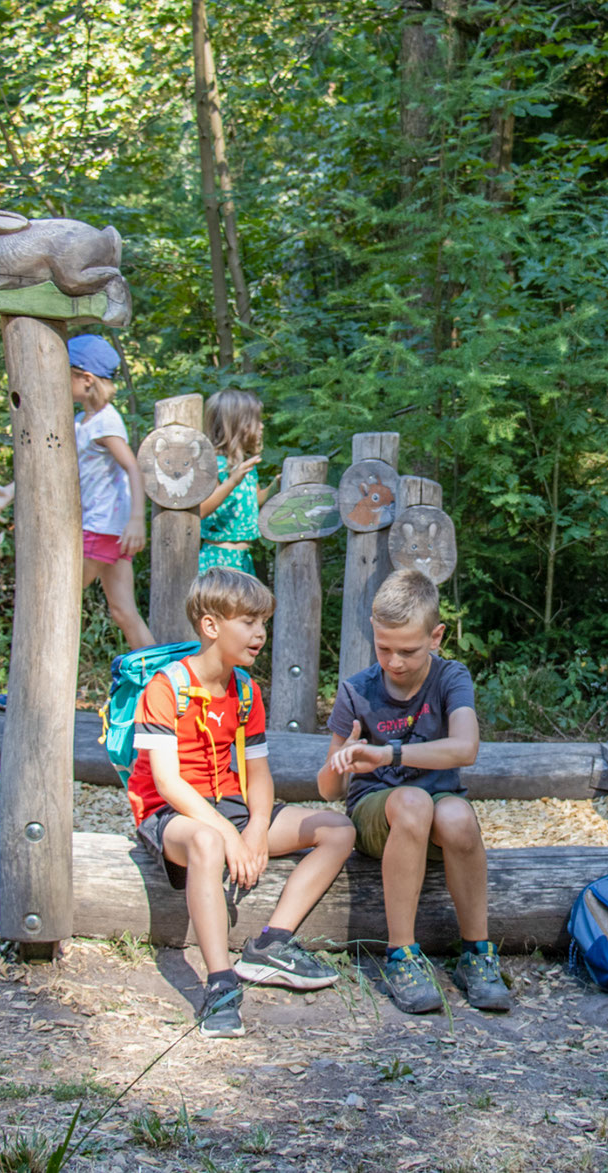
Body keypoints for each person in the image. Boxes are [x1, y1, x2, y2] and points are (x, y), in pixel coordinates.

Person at [126, 568, 357, 1039]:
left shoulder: (246, 691)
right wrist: (230, 835)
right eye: (249, 622)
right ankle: (220, 982)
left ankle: (272, 944)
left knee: (338, 830)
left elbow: (260, 775)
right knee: (209, 845)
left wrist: (253, 829)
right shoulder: (165, 688)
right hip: (172, 815)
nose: (260, 633)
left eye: (263, 622)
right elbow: (167, 784)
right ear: (211, 626)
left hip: (227, 805)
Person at [320, 568, 513, 1016]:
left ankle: (477, 953)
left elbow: (465, 748)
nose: (395, 662)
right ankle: (402, 955)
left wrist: (387, 754)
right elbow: (328, 789)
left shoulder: (451, 678)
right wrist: (342, 759)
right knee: (412, 802)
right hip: (380, 815)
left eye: (407, 650)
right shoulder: (356, 691)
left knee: (458, 816)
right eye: (384, 648)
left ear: (436, 636)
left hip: (436, 813)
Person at [0, 333, 151, 651]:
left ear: (86, 379)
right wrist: (9, 492)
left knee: (53, 601)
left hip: (100, 528)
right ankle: (163, 686)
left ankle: (35, 693)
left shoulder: (105, 423)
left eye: (62, 373)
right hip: (108, 531)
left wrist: (137, 520)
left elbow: (133, 467)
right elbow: (64, 469)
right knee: (124, 612)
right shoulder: (83, 421)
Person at [196, 389, 272, 576]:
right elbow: (201, 510)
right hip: (218, 559)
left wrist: (276, 486)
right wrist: (232, 481)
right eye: (257, 422)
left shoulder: (246, 465)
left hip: (243, 559)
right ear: (238, 425)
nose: (261, 427)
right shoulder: (212, 465)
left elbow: (254, 501)